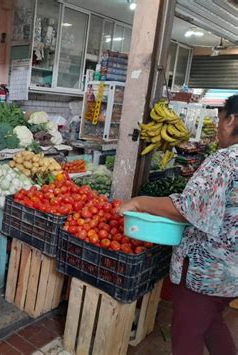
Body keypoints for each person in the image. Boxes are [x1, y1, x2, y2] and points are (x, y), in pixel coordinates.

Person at [119, 95, 238, 355]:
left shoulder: (224, 161)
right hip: (233, 274)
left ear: (231, 120)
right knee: (211, 322)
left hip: (207, 271)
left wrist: (139, 203)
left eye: (220, 120)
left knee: (187, 335)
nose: (218, 128)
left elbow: (188, 210)